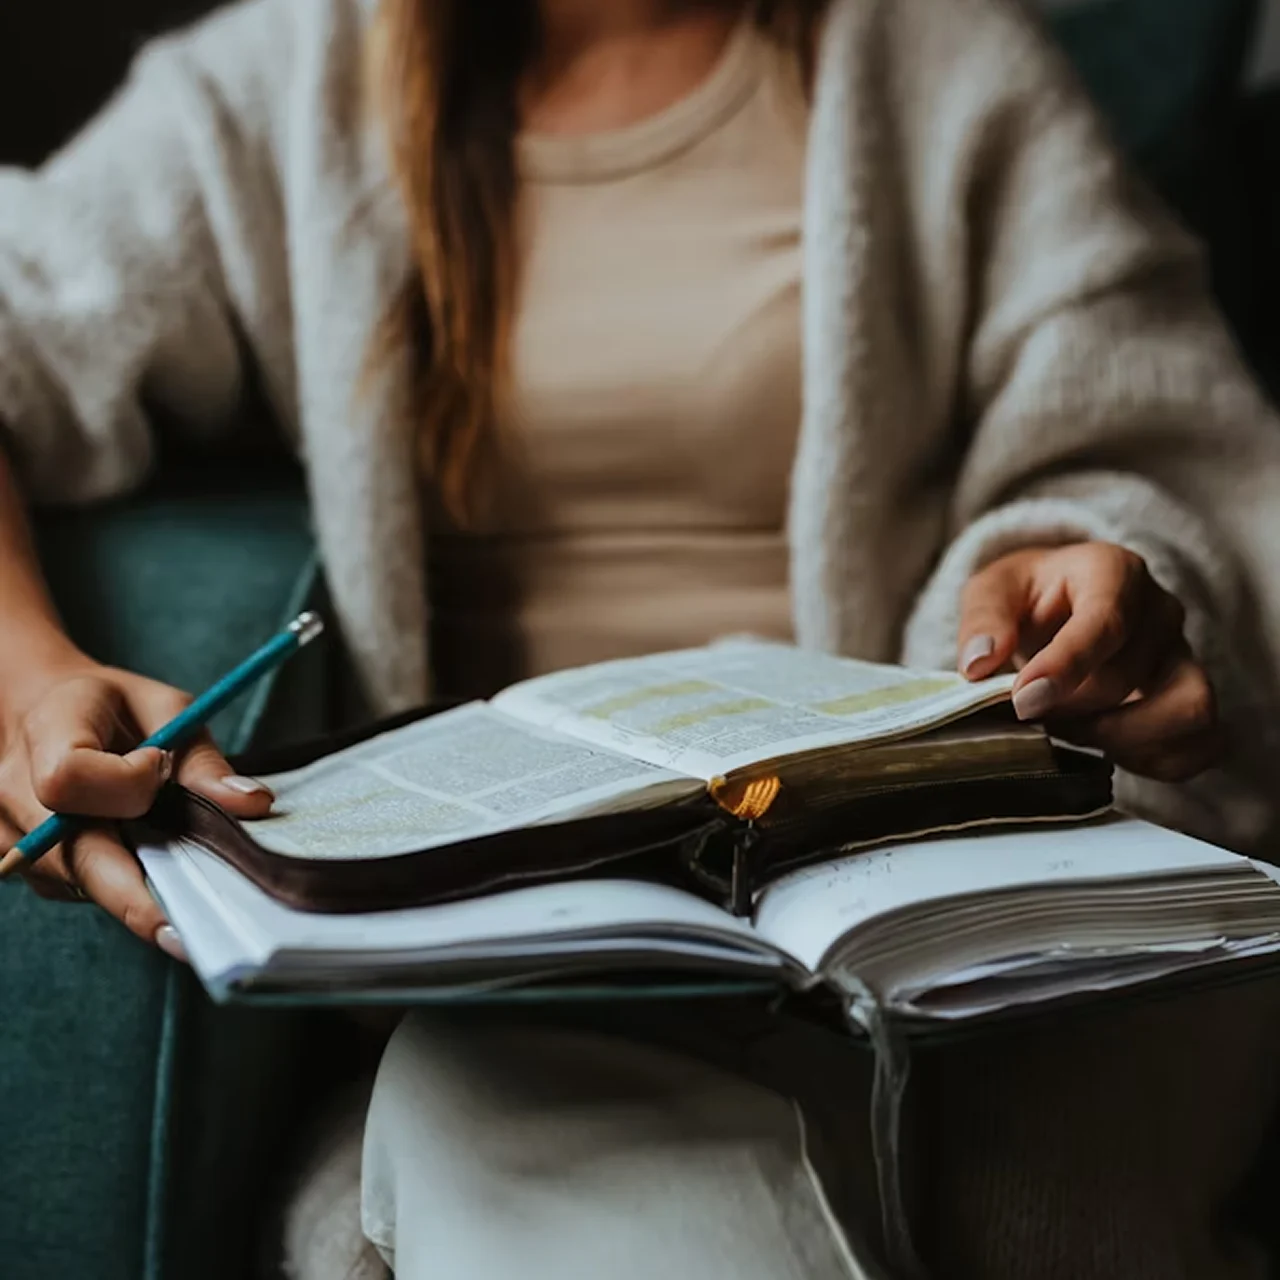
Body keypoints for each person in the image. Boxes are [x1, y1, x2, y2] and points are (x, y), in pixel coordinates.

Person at [3, 0, 1280, 1275]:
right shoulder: (292, 77)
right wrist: (27, 669)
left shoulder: (936, 58)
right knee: (542, 1139)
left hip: (924, 916)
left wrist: (1067, 576)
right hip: (526, 968)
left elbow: (1148, 431)